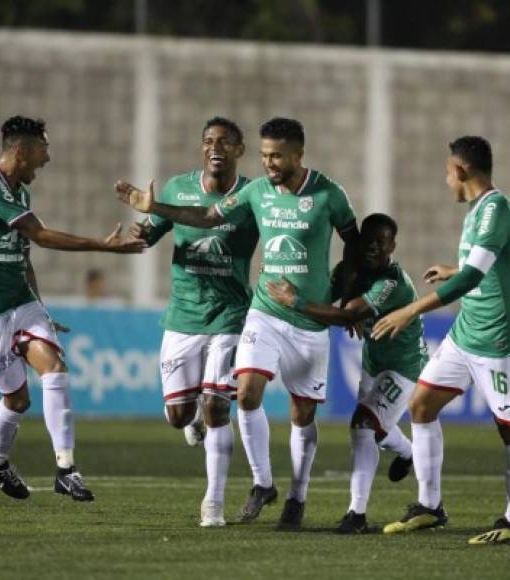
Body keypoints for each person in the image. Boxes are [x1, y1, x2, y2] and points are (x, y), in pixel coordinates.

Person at [116, 117, 359, 531]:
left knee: (301, 415)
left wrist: (344, 297)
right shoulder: (256, 191)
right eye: (265, 155)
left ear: (299, 154)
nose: (269, 163)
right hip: (261, 311)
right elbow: (209, 217)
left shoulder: (329, 194)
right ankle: (259, 484)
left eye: (277, 155)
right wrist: (152, 209)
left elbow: (354, 247)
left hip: (307, 318)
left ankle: (296, 497)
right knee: (241, 395)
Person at [0, 116, 146, 502]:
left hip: (20, 303)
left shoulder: (19, 193)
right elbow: (40, 236)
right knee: (17, 400)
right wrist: (104, 246)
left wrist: (39, 308)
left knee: (55, 368)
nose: (47, 158)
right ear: (22, 151)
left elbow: (25, 256)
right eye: (43, 148)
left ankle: (66, 469)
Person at [373, 136, 510, 545]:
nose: (446, 179)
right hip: (467, 333)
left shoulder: (496, 209)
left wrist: (412, 309)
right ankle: (430, 506)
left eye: (447, 171)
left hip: (500, 339)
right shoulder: (478, 211)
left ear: (461, 171)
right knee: (421, 405)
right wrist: (454, 268)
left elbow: (474, 278)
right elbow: (477, 265)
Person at [127, 117, 258, 527]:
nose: (215, 147)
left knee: (219, 406)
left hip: (231, 316)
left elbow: (266, 235)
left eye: (224, 142)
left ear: (240, 149)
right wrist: (136, 236)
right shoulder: (175, 189)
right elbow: (151, 232)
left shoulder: (254, 196)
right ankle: (194, 417)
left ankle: (212, 504)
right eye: (208, 141)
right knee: (178, 416)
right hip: (183, 317)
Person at [265, 213, 428, 534]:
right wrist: (341, 302)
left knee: (363, 425)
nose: (373, 247)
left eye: (381, 242)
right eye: (368, 240)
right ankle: (409, 452)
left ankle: (357, 514)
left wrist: (300, 301)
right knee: (375, 428)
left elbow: (343, 314)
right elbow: (329, 301)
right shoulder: (352, 269)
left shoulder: (392, 283)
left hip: (404, 366)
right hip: (373, 361)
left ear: (392, 246)